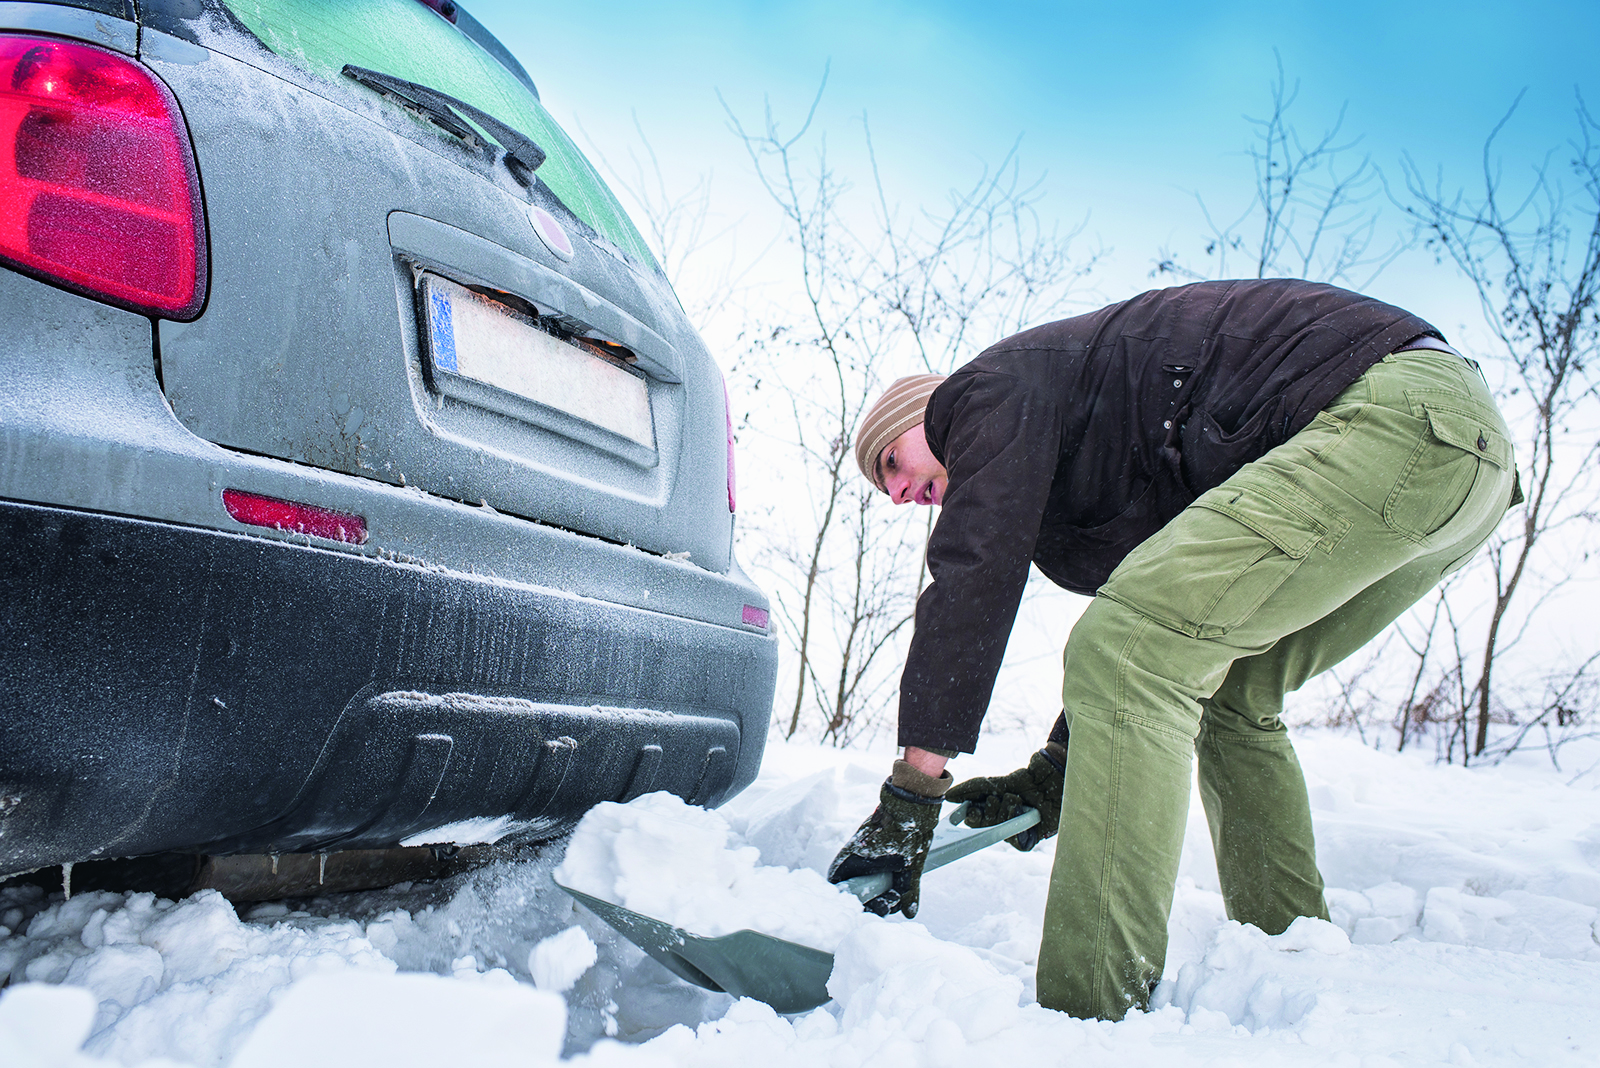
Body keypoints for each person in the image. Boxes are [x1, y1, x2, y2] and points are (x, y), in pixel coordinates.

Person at [825, 278, 1519, 1021]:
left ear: (926, 416)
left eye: (890, 463)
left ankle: (1087, 1017)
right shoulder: (1086, 449)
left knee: (1126, 651)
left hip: (1392, 422)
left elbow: (976, 573)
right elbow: (1171, 614)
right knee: (1232, 690)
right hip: (1461, 462)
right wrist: (1062, 764)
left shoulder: (985, 391)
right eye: (883, 486)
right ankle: (1290, 963)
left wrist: (912, 793)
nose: (896, 493)